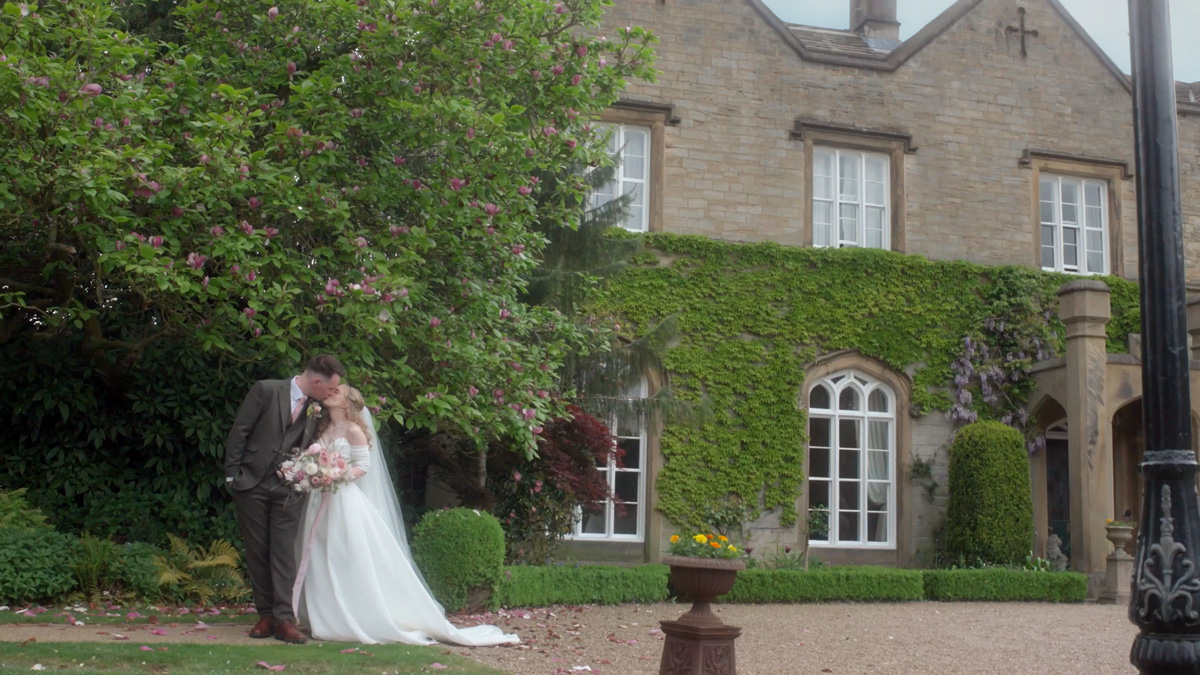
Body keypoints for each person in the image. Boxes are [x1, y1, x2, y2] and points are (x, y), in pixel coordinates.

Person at [295, 384, 519, 646]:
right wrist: (313, 474)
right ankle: (324, 614)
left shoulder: (355, 431)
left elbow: (363, 467)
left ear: (346, 403)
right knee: (320, 554)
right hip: (320, 499)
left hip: (342, 499)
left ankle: (352, 614)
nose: (331, 392)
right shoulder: (324, 428)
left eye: (338, 392)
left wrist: (333, 476)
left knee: (343, 554)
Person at [225, 355, 346, 644]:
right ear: (316, 382)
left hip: (292, 487)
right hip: (251, 483)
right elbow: (240, 431)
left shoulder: (318, 407)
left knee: (283, 551)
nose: (332, 394)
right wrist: (232, 476)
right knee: (257, 550)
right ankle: (265, 615)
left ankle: (283, 619)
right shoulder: (266, 390)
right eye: (330, 388)